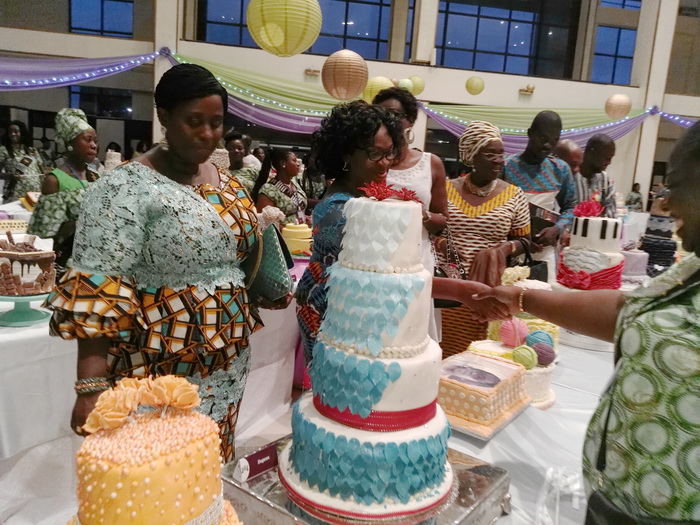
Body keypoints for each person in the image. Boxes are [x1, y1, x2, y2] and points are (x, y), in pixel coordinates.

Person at [44, 64, 283, 462]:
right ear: (165, 117)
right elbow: (97, 286)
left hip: (227, 362)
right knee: (156, 475)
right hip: (153, 366)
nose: (207, 134)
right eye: (194, 121)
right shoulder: (122, 188)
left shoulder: (226, 181)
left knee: (208, 467)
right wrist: (90, 387)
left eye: (216, 122)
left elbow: (241, 252)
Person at [474, 121, 700, 523]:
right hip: (619, 499)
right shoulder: (693, 268)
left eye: (677, 183)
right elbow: (625, 311)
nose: (665, 201)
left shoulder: (561, 175)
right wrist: (522, 297)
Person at [295, 101, 509, 365]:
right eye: (375, 154)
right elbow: (387, 279)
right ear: (346, 153)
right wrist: (461, 290)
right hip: (332, 318)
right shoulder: (340, 209)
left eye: (390, 153)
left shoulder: (359, 196)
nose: (386, 164)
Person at [438, 121, 531, 356]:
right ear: (471, 156)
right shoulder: (445, 189)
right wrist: (443, 244)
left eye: (501, 154)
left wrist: (503, 249)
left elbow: (526, 241)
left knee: (479, 355)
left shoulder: (514, 195)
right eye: (490, 154)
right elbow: (430, 231)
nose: (499, 160)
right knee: (442, 350)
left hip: (488, 289)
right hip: (448, 285)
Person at [373, 87, 449, 340]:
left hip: (416, 260)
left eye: (394, 114)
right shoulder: (370, 162)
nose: (388, 120)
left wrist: (421, 214)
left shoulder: (431, 163)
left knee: (411, 338)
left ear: (411, 120)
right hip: (374, 260)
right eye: (380, 114)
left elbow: (442, 221)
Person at [503, 111, 577, 281]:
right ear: (530, 133)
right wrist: (519, 238)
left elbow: (571, 206)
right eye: (542, 138)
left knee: (542, 304)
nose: (547, 145)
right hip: (511, 250)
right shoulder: (507, 167)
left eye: (553, 140)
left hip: (544, 254)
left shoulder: (560, 170)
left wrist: (557, 229)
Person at [28, 109, 99, 272]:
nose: (94, 145)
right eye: (87, 140)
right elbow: (43, 233)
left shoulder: (95, 175)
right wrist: (79, 223)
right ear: (70, 143)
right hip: (69, 262)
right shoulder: (54, 180)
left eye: (95, 140)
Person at [251, 147, 307, 225]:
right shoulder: (268, 190)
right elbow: (266, 224)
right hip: (285, 235)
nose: (298, 164)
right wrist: (292, 231)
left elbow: (298, 211)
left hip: (301, 232)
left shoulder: (294, 183)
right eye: (294, 161)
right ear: (283, 164)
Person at [0, 120, 46, 202]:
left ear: (22, 133)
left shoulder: (32, 150)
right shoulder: (3, 150)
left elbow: (42, 171)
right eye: (10, 132)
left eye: (16, 131)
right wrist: (10, 176)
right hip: (16, 194)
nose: (13, 134)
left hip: (34, 194)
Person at [576, 134, 617, 217]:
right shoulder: (571, 176)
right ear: (592, 153)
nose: (609, 162)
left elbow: (611, 214)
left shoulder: (605, 180)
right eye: (607, 158)